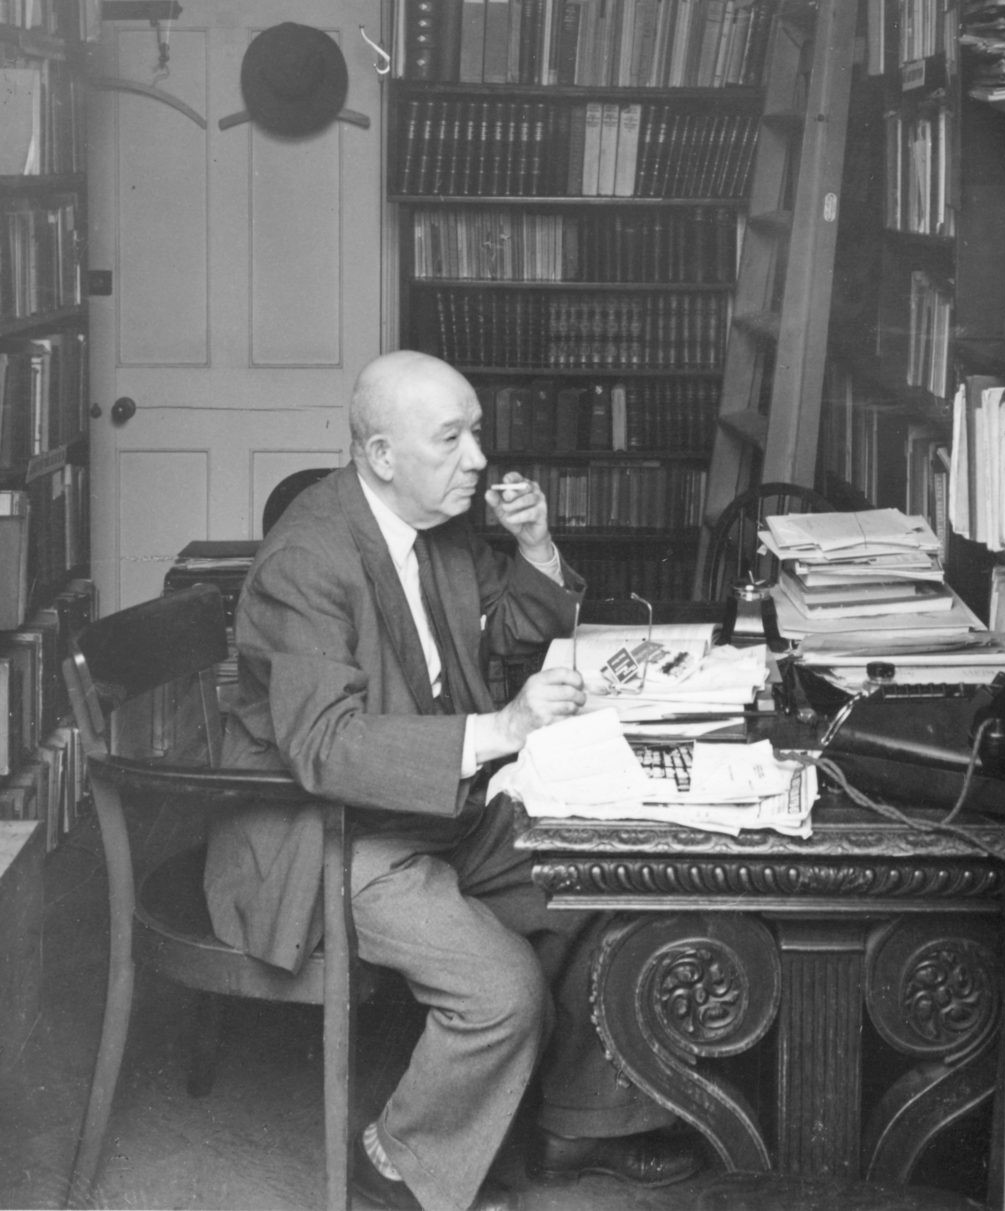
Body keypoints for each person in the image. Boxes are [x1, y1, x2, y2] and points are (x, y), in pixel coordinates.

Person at [205, 350, 701, 1211]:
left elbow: (503, 640)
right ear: (381, 454)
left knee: (604, 878)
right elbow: (325, 745)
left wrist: (535, 544)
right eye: (452, 438)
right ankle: (394, 1162)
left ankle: (574, 1125)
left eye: (476, 431)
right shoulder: (307, 559)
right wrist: (502, 729)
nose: (479, 456)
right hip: (326, 831)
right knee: (500, 993)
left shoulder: (429, 525)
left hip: (433, 807)